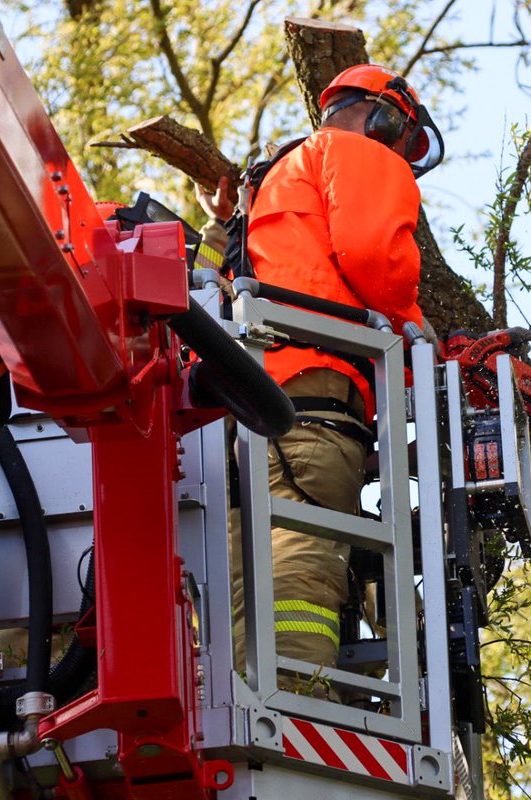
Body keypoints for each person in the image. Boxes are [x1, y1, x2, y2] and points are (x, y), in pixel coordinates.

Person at [197, 63, 444, 682]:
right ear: (382, 116)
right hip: (313, 402)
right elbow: (375, 259)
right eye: (398, 137)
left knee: (243, 578)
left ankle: (255, 698)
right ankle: (295, 701)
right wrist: (420, 336)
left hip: (237, 412)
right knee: (301, 563)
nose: (396, 154)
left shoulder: (273, 181)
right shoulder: (355, 153)